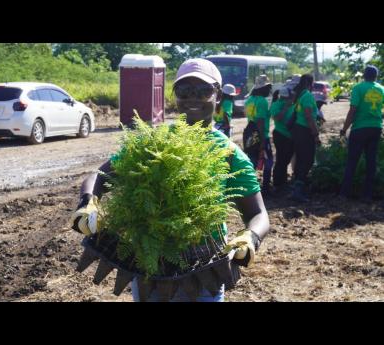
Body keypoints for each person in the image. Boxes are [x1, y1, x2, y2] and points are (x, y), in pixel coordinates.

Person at [72, 58, 270, 302]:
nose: (192, 98)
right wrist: (88, 201)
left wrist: (251, 237)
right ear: (175, 95)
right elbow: (100, 176)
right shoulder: (153, 143)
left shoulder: (230, 155)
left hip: (204, 269)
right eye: (184, 91)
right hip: (149, 268)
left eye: (203, 91)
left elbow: (258, 213)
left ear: (218, 95)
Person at [339, 65, 384, 201]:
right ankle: (367, 195)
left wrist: (344, 129)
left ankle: (344, 193)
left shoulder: (358, 88)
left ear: (364, 75)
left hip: (360, 128)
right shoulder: (381, 89)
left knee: (352, 161)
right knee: (371, 162)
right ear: (376, 76)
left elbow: (353, 110)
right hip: (376, 128)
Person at [290, 74, 320, 202]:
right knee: (307, 160)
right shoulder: (307, 95)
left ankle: (297, 188)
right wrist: (316, 134)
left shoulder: (300, 95)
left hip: (298, 131)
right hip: (305, 132)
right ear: (309, 83)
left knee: (301, 159)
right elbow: (309, 117)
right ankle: (298, 192)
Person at [243, 75, 274, 196]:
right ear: (263, 88)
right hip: (261, 136)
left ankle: (248, 186)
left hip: (250, 135)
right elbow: (260, 122)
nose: (269, 90)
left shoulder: (249, 100)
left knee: (252, 161)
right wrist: (262, 143)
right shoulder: (262, 102)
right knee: (269, 161)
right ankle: (265, 188)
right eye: (268, 87)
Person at [270, 86, 295, 191]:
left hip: (290, 136)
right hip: (281, 135)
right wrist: (285, 108)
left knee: (286, 159)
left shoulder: (293, 105)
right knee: (281, 159)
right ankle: (277, 182)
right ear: (287, 96)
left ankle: (283, 181)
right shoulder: (276, 105)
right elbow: (277, 118)